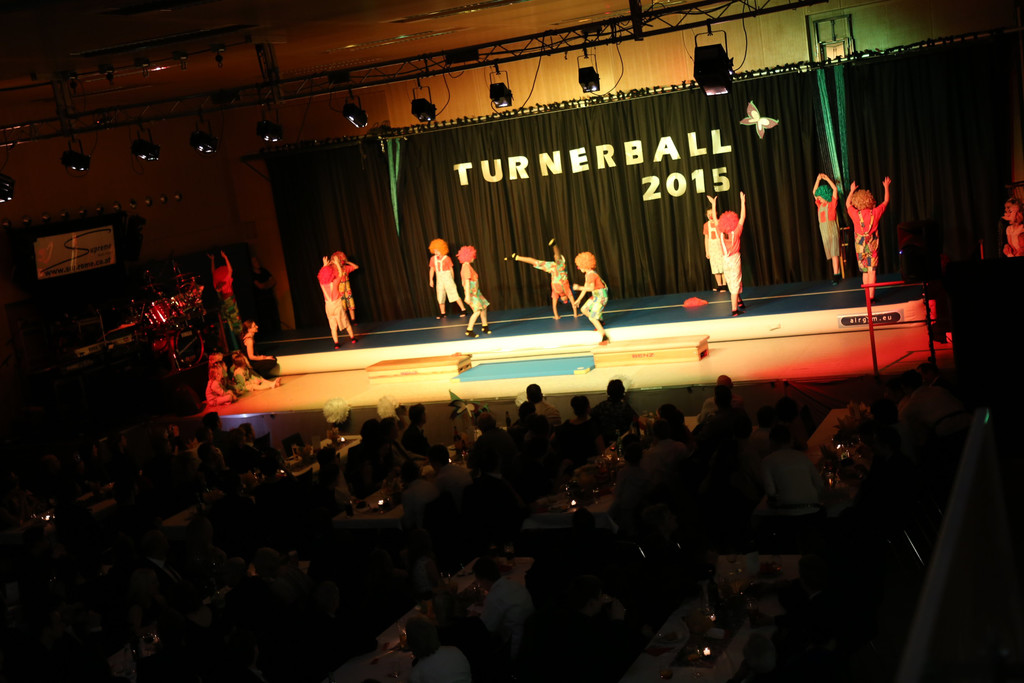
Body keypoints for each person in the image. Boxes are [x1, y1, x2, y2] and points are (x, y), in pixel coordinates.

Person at [846, 176, 892, 301]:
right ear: (870, 200)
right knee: (872, 271)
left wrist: (851, 191)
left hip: (860, 246)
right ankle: (871, 296)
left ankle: (867, 296)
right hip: (872, 245)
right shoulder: (875, 213)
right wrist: (886, 187)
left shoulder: (855, 214)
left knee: (865, 272)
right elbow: (886, 201)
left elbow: (847, 204)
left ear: (857, 202)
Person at [509, 237, 579, 319]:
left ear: (560, 299)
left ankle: (517, 257)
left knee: (536, 262)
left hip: (552, 269)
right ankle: (554, 245)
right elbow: (573, 303)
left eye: (563, 301)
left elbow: (554, 305)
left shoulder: (555, 293)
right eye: (566, 300)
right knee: (558, 259)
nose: (565, 300)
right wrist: (575, 314)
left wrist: (556, 316)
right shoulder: (568, 291)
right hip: (561, 270)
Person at [709, 192, 747, 316]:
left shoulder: (720, 232)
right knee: (735, 282)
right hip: (734, 259)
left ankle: (739, 301)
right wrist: (742, 202)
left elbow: (715, 219)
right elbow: (743, 217)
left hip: (725, 260)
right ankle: (734, 310)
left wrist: (713, 204)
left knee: (732, 282)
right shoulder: (736, 232)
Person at [317, 252, 357, 348]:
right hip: (337, 305)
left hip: (328, 307)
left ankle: (336, 344)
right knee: (346, 322)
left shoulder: (322, 284)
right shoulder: (335, 282)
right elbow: (340, 273)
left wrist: (324, 265)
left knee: (333, 326)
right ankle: (352, 338)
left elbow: (320, 276)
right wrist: (337, 264)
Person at [572, 251, 609, 344]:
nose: (578, 268)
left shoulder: (591, 274)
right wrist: (578, 300)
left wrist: (578, 287)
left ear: (584, 265)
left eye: (579, 266)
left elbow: (591, 288)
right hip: (596, 296)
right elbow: (585, 288)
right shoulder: (588, 274)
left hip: (601, 297)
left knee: (592, 318)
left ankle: (605, 337)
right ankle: (600, 321)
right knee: (584, 309)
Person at [812, 172, 842, 284]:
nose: (819, 199)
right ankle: (837, 272)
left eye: (820, 197)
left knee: (834, 253)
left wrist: (827, 179)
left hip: (832, 230)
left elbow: (835, 189)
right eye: (818, 198)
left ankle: (836, 275)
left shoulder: (832, 204)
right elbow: (814, 192)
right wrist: (818, 179)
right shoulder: (819, 205)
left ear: (825, 196)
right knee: (831, 253)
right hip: (824, 231)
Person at [209, 249, 243, 348]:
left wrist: (225, 258)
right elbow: (213, 272)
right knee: (226, 325)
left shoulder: (226, 279)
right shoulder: (217, 282)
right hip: (223, 304)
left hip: (230, 302)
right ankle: (232, 347)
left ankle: (243, 346)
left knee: (236, 324)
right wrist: (212, 260)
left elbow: (230, 270)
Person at [428, 238, 467, 319]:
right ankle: (443, 313)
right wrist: (431, 279)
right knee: (440, 295)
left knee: (454, 293)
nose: (436, 252)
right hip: (439, 278)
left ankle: (463, 309)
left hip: (447, 277)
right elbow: (432, 269)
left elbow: (451, 269)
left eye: (437, 250)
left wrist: (452, 279)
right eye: (434, 251)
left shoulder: (447, 258)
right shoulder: (433, 259)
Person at [458, 245, 491, 337]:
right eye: (473, 256)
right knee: (477, 311)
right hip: (472, 293)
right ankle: (469, 330)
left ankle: (485, 326)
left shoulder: (467, 266)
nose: (474, 258)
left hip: (476, 292)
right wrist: (467, 296)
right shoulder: (466, 267)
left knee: (483, 307)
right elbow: (467, 282)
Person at [250, 255, 281, 333]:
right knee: (266, 320)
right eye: (254, 261)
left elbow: (273, 281)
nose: (257, 263)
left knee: (274, 317)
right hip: (262, 300)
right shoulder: (252, 275)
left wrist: (265, 285)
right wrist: (267, 284)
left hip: (270, 297)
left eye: (257, 260)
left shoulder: (264, 271)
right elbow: (260, 286)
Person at [703, 201, 727, 292]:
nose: (710, 216)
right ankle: (719, 285)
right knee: (715, 267)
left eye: (712, 213)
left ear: (715, 213)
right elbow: (706, 238)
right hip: (712, 248)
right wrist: (707, 251)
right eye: (708, 214)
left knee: (723, 266)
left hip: (721, 247)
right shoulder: (706, 225)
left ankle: (724, 285)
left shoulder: (719, 223)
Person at [330, 250, 360, 322]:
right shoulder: (334, 270)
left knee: (351, 305)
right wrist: (332, 263)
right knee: (342, 307)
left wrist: (347, 262)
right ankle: (344, 321)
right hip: (339, 291)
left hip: (348, 290)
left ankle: (353, 320)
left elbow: (356, 267)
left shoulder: (346, 268)